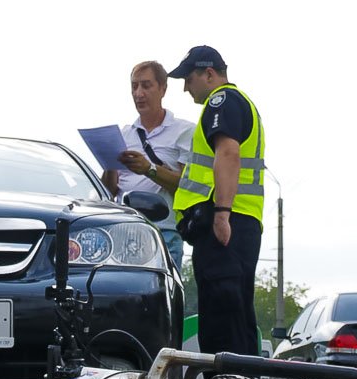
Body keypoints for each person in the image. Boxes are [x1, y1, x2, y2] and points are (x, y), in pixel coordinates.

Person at [168, 45, 266, 357]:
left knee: (223, 321)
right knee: (235, 317)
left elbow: (228, 153)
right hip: (240, 223)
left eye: (188, 77)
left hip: (226, 224)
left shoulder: (221, 101)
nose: (185, 87)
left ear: (209, 74)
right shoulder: (240, 103)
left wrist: (221, 214)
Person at [101, 61, 194, 268]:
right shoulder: (124, 134)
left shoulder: (184, 131)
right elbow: (109, 190)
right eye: (134, 86)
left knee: (161, 296)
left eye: (146, 85)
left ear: (163, 88)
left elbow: (186, 186)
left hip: (163, 231)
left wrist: (148, 169)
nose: (139, 93)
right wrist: (108, 163)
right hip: (123, 231)